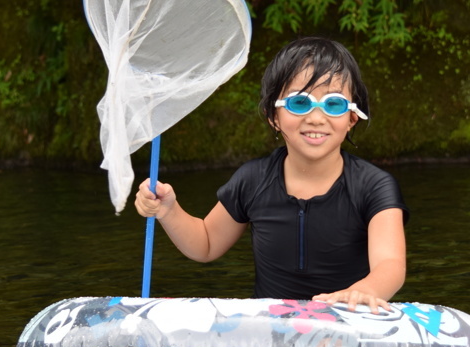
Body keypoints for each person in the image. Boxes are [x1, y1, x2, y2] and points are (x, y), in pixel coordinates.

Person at [134, 37, 408, 313]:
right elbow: (205, 244)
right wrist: (168, 211)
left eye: (333, 104)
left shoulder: (374, 186)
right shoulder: (253, 180)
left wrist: (365, 292)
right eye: (299, 103)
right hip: (270, 331)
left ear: (351, 118)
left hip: (350, 321)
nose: (316, 117)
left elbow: (390, 265)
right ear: (272, 116)